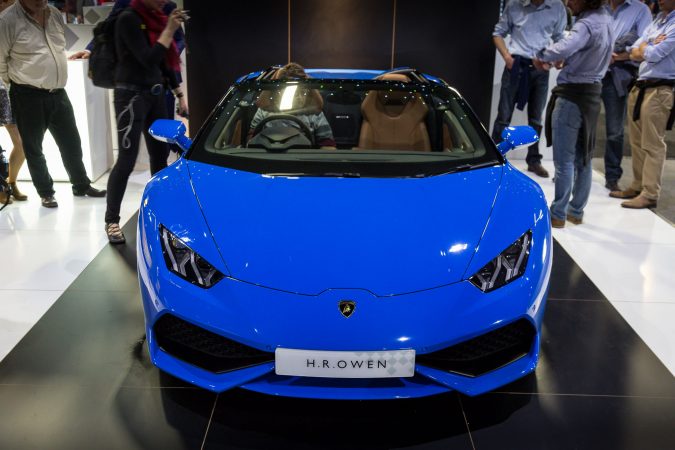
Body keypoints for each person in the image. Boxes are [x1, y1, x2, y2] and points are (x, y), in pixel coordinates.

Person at [0, 0, 106, 208]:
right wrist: (12, 89)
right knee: (33, 148)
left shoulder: (54, 13)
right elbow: (1, 62)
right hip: (27, 94)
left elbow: (53, 48)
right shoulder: (7, 20)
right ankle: (46, 192)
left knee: (71, 143)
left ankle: (81, 184)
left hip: (58, 93)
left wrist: (62, 59)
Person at [103, 0, 187, 244]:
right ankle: (111, 220)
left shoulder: (156, 19)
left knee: (159, 156)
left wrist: (180, 95)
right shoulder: (128, 18)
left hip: (156, 94)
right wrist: (169, 29)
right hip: (130, 97)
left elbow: (164, 63)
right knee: (126, 160)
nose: (163, 0)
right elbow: (148, 59)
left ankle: (158, 212)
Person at [534, 0, 613, 228]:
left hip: (572, 95)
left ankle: (558, 213)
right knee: (583, 156)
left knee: (564, 159)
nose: (568, 2)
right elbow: (584, 52)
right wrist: (569, 60)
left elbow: (564, 48)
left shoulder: (586, 25)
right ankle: (576, 211)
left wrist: (542, 54)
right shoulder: (607, 21)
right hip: (592, 94)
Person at [492, 0, 568, 178]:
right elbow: (498, 33)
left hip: (541, 67)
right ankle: (495, 158)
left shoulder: (556, 7)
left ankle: (534, 160)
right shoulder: (515, 5)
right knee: (503, 115)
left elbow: (560, 38)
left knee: (536, 118)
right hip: (516, 65)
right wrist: (506, 57)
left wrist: (558, 59)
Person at [611, 0, 675, 208]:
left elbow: (652, 54)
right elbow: (633, 49)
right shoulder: (658, 20)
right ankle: (638, 185)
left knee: (653, 143)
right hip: (641, 85)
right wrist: (647, 45)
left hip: (660, 88)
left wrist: (645, 47)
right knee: (637, 141)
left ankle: (650, 193)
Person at [601, 0, 652, 192]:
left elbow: (644, 44)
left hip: (618, 74)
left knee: (615, 130)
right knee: (581, 125)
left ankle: (612, 176)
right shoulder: (599, 7)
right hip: (592, 72)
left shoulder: (640, 10)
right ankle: (573, 171)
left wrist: (618, 55)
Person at [249, 63, 336, 148]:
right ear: (279, 92)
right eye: (293, 92)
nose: (298, 96)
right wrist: (274, 79)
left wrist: (308, 80)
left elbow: (328, 147)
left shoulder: (314, 114)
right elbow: (250, 143)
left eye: (302, 92)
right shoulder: (264, 112)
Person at [0, 0, 27, 204]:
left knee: (22, 143)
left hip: (12, 91)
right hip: (5, 89)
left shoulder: (15, 21)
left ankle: (10, 183)